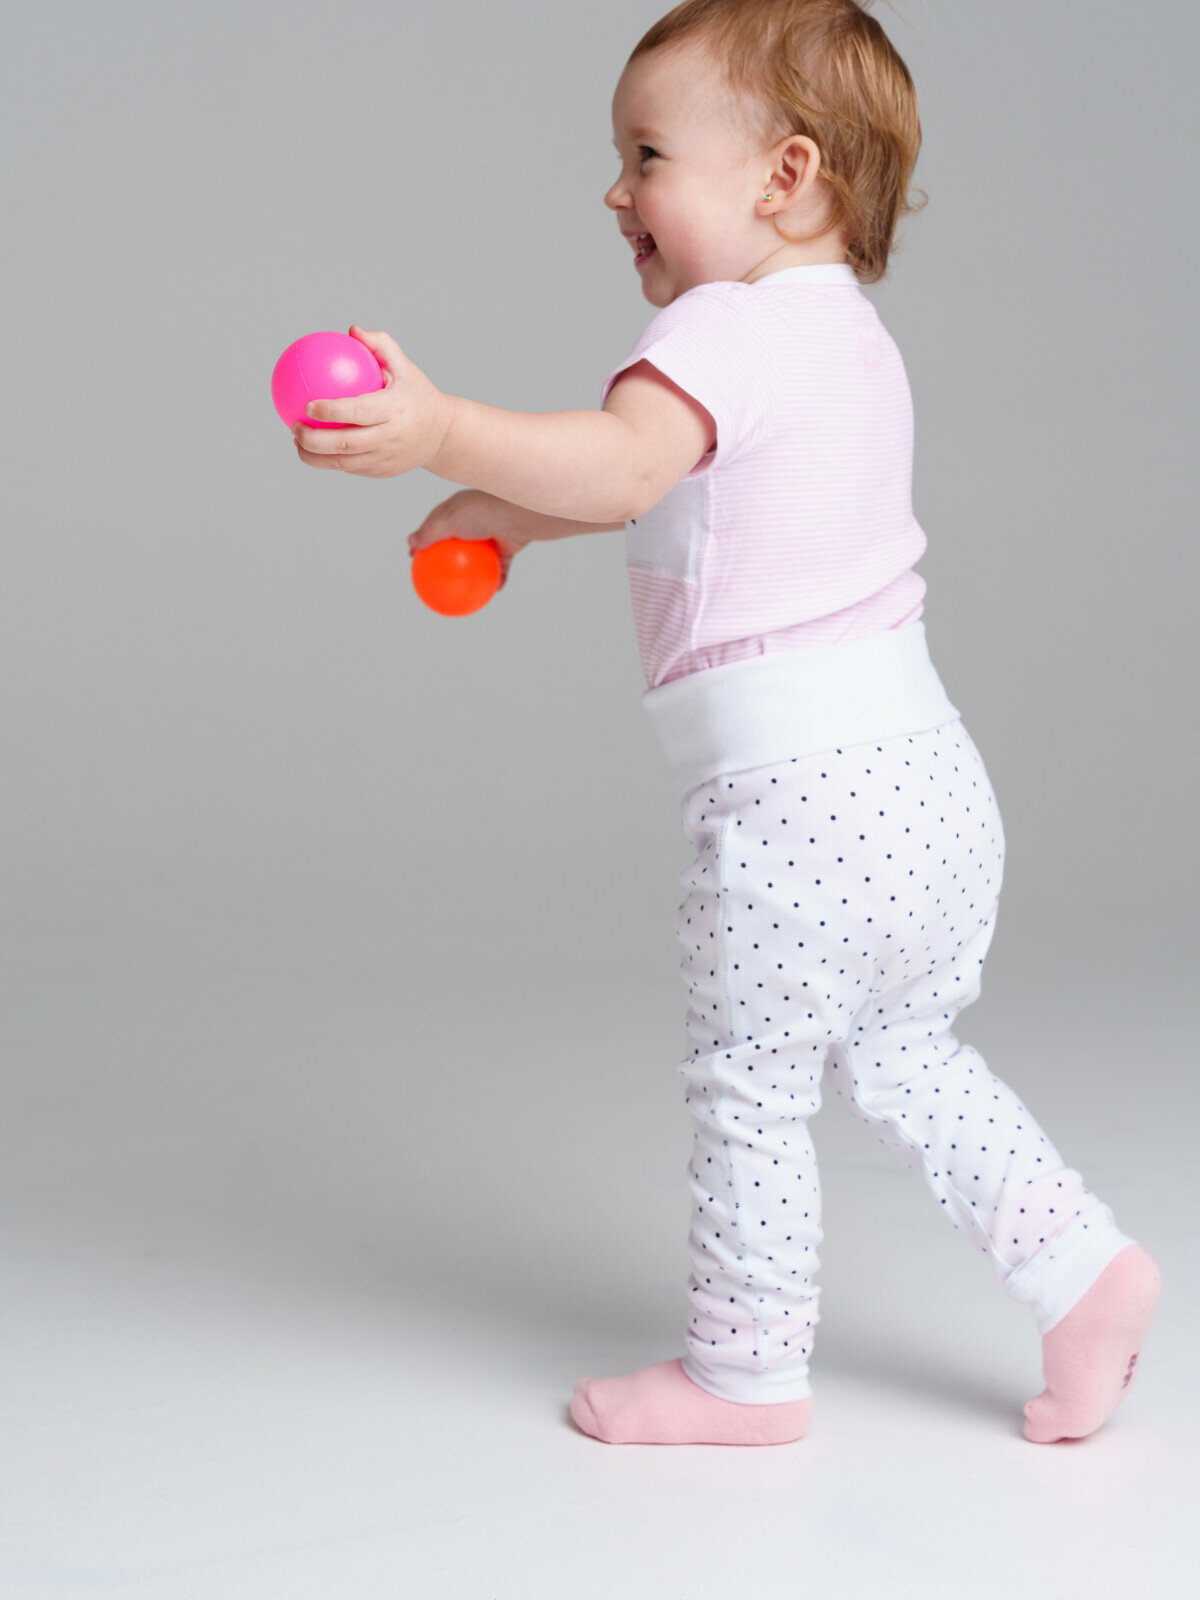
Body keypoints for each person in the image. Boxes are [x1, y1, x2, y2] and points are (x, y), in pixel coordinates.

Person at [292, 0, 1162, 1447]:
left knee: (749, 1087)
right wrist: (506, 519)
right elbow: (699, 502)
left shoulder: (716, 326)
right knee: (907, 1052)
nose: (615, 191)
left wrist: (441, 433)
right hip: (926, 784)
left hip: (796, 805)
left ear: (784, 175)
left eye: (646, 155)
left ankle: (742, 1374)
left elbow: (628, 463)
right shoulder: (850, 341)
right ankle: (1083, 1271)